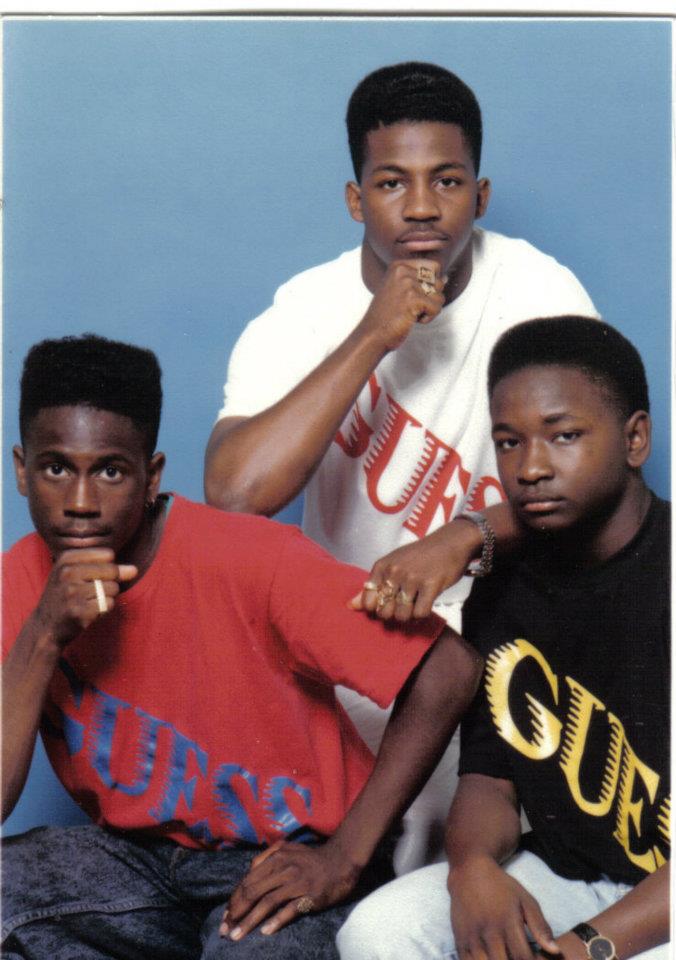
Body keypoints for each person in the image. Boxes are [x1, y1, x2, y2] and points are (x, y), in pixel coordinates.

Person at [204, 60, 598, 871]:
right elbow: (235, 494)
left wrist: (464, 537)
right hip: (347, 673)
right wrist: (374, 334)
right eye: (391, 184)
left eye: (447, 181)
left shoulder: (537, 290)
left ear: (481, 196)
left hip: (500, 673)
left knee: (472, 904)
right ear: (356, 200)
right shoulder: (306, 311)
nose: (422, 209)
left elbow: (600, 482)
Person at [1, 334, 482, 960]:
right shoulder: (19, 582)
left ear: (150, 477)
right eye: (57, 469)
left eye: (111, 471)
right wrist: (42, 634)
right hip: (139, 865)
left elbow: (450, 667)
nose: (82, 504)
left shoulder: (250, 559)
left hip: (283, 859)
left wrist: (343, 856)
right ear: (21, 470)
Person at [337, 315, 670, 960]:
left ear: (635, 439)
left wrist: (585, 949)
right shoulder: (507, 580)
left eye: (565, 436)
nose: (532, 468)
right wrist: (473, 872)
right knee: (380, 930)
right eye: (510, 442)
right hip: (570, 877)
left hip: (661, 911)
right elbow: (491, 779)